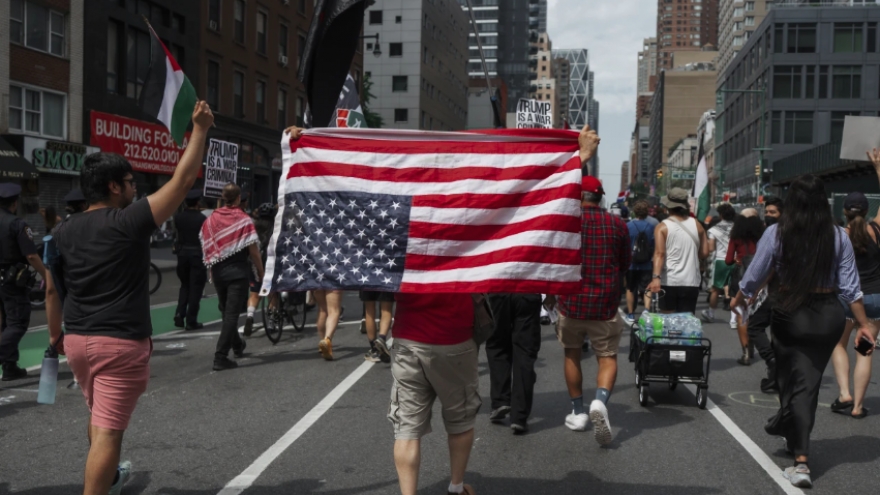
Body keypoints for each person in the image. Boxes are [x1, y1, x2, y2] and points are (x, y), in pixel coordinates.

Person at [46, 101, 214, 495]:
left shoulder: (64, 231)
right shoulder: (128, 221)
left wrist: (56, 338)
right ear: (113, 187)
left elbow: (54, 288)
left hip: (77, 341)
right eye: (131, 182)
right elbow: (183, 180)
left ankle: (109, 480)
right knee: (108, 432)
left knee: (97, 415)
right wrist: (201, 130)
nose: (136, 188)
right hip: (119, 343)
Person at [732, 174, 876, 489]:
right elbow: (851, 289)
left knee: (793, 383)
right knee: (805, 383)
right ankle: (787, 425)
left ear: (793, 203)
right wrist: (864, 325)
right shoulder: (839, 236)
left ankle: (801, 460)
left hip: (789, 312)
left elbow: (754, 275)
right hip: (828, 315)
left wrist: (739, 299)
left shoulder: (778, 232)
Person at [547, 169, 631, 446]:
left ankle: (577, 411)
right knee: (607, 357)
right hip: (605, 305)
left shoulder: (566, 224)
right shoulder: (617, 225)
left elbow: (554, 262)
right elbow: (624, 263)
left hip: (571, 303)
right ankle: (601, 400)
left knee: (571, 354)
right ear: (600, 197)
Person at [201, 183, 263, 371]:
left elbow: (207, 241)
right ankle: (220, 356)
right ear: (238, 199)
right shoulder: (244, 219)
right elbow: (253, 250)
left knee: (226, 311)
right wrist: (261, 271)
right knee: (231, 315)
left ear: (222, 197)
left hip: (218, 271)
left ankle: (237, 344)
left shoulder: (212, 219)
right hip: (237, 272)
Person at [831, 188, 880, 419]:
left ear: (844, 211)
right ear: (867, 209)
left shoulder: (840, 235)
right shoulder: (877, 230)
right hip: (875, 298)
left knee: (839, 345)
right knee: (865, 352)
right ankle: (858, 407)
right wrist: (879, 170)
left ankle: (844, 394)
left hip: (848, 299)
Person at [0, 183, 49, 381]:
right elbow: (31, 255)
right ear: (15, 202)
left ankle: (10, 367)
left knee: (5, 323)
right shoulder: (17, 224)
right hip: (11, 281)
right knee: (18, 323)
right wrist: (47, 275)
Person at [484, 292, 542, 433]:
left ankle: (500, 400)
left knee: (497, 345)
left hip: (500, 289)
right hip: (528, 290)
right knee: (525, 352)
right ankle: (519, 415)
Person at [648, 188, 710, 314]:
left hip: (669, 280)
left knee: (669, 321)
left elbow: (659, 254)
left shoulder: (662, 227)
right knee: (686, 321)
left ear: (668, 206)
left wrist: (656, 278)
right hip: (691, 281)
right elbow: (704, 253)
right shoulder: (697, 224)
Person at [746, 196, 783, 393]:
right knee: (777, 331)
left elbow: (768, 268)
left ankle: (772, 360)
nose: (768, 216)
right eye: (767, 212)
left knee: (755, 326)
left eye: (773, 212)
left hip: (775, 291)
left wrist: (755, 289)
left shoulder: (774, 233)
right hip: (784, 292)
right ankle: (776, 374)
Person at [725, 208, 764, 365]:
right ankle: (755, 345)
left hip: (740, 276)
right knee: (756, 313)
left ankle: (746, 353)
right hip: (761, 276)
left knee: (742, 314)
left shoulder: (736, 237)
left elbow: (728, 260)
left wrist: (737, 259)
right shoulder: (762, 236)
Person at [173, 189, 207, 330]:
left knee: (185, 286)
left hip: (182, 255)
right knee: (196, 288)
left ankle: (180, 313)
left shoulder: (178, 217)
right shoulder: (202, 219)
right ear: (198, 202)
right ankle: (191, 320)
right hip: (197, 255)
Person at [244, 203, 276, 337]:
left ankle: (250, 315)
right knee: (272, 293)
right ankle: (272, 320)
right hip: (271, 263)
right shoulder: (276, 229)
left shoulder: (252, 228)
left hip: (254, 264)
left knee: (254, 293)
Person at [701, 203, 736, 324]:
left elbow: (711, 248)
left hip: (721, 260)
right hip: (736, 260)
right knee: (735, 289)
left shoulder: (714, 230)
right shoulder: (738, 228)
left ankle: (711, 313)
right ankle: (734, 318)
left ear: (721, 215)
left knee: (715, 289)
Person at [623, 200, 655, 324]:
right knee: (647, 287)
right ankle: (646, 310)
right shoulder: (650, 227)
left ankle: (631, 315)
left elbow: (624, 244)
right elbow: (652, 244)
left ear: (634, 212)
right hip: (646, 262)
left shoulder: (628, 226)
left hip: (631, 263)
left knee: (630, 288)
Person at [361, 290, 394, 363]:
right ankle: (382, 338)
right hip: (386, 281)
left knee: (369, 310)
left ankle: (374, 348)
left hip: (368, 281)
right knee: (386, 310)